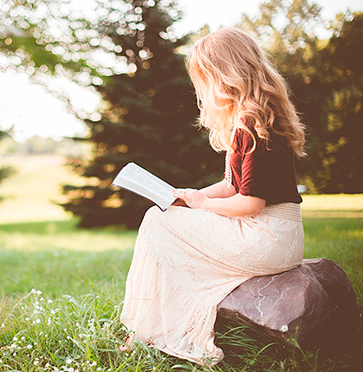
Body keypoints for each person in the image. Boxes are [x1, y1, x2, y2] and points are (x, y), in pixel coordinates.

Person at [119, 28, 307, 366]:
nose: (202, 89)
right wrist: (190, 195)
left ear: (225, 75)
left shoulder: (250, 123)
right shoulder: (258, 115)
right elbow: (232, 185)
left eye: (205, 78)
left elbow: (250, 203)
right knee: (164, 217)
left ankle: (146, 328)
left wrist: (202, 206)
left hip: (265, 236)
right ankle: (149, 325)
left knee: (156, 221)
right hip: (279, 235)